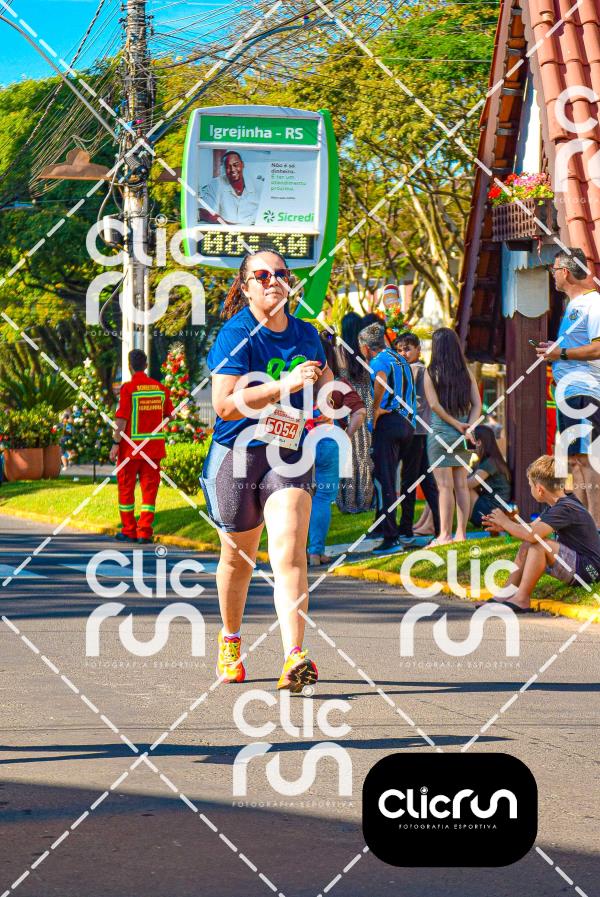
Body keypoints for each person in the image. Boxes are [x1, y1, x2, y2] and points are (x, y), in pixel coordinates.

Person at [200, 249, 332, 692]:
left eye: (281, 273)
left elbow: (326, 382)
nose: (273, 280)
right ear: (245, 286)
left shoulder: (307, 334)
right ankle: (231, 639)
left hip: (288, 451)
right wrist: (282, 385)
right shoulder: (236, 334)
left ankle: (295, 655)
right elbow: (224, 405)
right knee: (237, 558)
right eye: (262, 275)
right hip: (237, 454)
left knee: (290, 549)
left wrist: (340, 405)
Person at [482, 455, 600, 611]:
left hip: (589, 571)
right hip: (579, 566)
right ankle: (505, 594)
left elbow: (533, 535)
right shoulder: (558, 504)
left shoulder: (565, 508)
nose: (530, 488)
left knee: (538, 544)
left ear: (539, 489)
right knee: (529, 542)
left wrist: (506, 522)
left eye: (530, 485)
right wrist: (505, 527)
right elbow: (531, 528)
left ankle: (522, 598)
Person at [536, 248, 600, 524]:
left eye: (553, 270)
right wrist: (555, 350)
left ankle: (596, 526)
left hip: (585, 390)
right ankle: (584, 524)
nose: (552, 276)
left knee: (587, 459)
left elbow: (598, 347)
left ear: (564, 271)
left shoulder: (593, 303)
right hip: (569, 391)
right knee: (574, 460)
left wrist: (560, 353)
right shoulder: (571, 307)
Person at [307, 333, 366, 566]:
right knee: (322, 497)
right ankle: (316, 552)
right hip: (328, 439)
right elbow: (360, 412)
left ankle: (294, 551)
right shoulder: (338, 383)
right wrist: (346, 434)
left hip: (298, 441)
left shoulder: (294, 380)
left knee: (296, 496)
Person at [358, 322, 416, 553]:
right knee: (398, 478)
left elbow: (380, 379)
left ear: (366, 347)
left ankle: (391, 537)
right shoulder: (400, 359)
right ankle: (391, 527)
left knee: (385, 481)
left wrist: (375, 410)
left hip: (389, 423)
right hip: (408, 424)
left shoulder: (378, 361)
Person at [424, 327, 482, 545]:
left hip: (441, 434)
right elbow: (477, 405)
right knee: (461, 485)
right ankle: (461, 534)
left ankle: (445, 535)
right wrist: (469, 428)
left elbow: (434, 405)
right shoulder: (466, 372)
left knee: (444, 487)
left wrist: (456, 424)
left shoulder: (431, 372)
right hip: (464, 437)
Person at [110, 349, 174, 544]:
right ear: (146, 365)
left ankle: (129, 530)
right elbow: (170, 415)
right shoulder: (160, 389)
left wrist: (115, 443)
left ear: (130, 367)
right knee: (149, 492)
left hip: (130, 450)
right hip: (153, 450)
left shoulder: (128, 389)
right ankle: (144, 532)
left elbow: (121, 420)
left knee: (126, 490)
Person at [395, 332, 440, 538]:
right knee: (426, 482)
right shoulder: (420, 369)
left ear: (418, 350)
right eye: (399, 350)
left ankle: (406, 527)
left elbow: (405, 397)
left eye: (407, 349)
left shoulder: (415, 369)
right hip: (422, 432)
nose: (403, 354)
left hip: (416, 432)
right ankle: (439, 525)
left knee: (409, 480)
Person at [335, 311, 374, 513]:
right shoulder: (365, 350)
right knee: (363, 454)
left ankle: (347, 502)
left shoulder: (338, 351)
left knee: (346, 454)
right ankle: (364, 500)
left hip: (346, 403)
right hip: (365, 404)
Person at [200, 150, 263, 225]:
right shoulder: (216, 184)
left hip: (253, 230)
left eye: (235, 165)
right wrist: (227, 225)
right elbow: (204, 211)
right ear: (224, 169)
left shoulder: (259, 185)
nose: (232, 169)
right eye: (228, 167)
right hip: (224, 229)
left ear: (242, 165)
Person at [467, 424, 512, 527]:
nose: (468, 445)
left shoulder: (490, 463)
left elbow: (469, 484)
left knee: (461, 488)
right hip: (493, 508)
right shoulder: (491, 460)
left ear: (479, 442)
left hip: (492, 511)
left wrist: (448, 482)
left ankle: (447, 525)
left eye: (471, 441)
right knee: (456, 487)